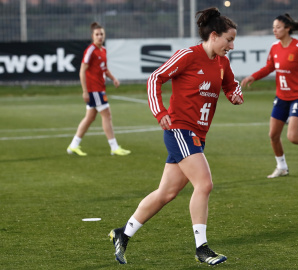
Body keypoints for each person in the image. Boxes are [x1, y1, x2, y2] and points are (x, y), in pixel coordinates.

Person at [108, 7, 243, 266]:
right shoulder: (188, 56)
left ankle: (122, 234)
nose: (232, 45)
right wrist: (159, 112)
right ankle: (201, 249)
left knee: (166, 193)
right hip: (180, 130)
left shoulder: (222, 63)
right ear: (214, 36)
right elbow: (155, 78)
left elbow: (230, 85)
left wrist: (234, 94)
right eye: (229, 39)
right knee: (204, 184)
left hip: (197, 135)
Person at [240, 13, 298, 179]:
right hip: (281, 97)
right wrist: (254, 76)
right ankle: (281, 167)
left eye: (278, 27)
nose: (275, 30)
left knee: (293, 137)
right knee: (273, 135)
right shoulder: (275, 47)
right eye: (273, 27)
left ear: (287, 28)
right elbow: (269, 67)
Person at [67, 22, 131, 156]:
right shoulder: (90, 50)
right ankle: (114, 147)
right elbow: (82, 71)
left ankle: (73, 145)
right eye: (97, 34)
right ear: (92, 36)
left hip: (99, 88)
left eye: (101, 34)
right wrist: (85, 91)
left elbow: (104, 68)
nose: (99, 36)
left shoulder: (103, 50)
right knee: (107, 115)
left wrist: (113, 78)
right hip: (94, 90)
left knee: (90, 117)